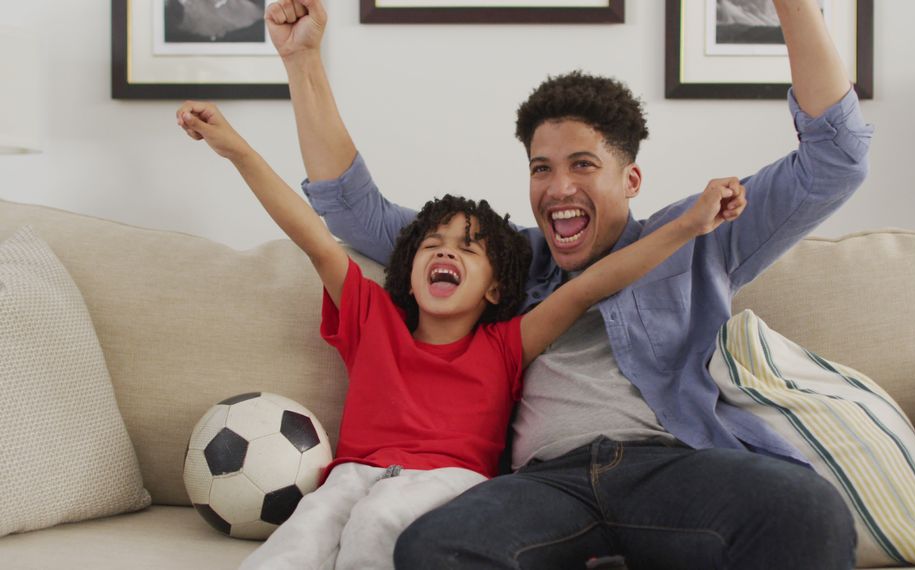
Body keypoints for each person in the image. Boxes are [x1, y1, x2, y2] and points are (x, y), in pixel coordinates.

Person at [266, 0, 872, 567]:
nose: (557, 189)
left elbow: (835, 160)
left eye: (582, 164)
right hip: (543, 484)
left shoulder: (700, 232)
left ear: (631, 179)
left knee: (806, 507)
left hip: (671, 468)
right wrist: (302, 61)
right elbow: (354, 213)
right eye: (541, 169)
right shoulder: (501, 260)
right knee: (434, 547)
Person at [174, 100, 748, 569]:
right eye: (434, 244)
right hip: (351, 477)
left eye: (468, 249)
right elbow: (311, 234)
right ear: (411, 269)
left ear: (497, 289)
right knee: (298, 542)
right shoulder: (372, 318)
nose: (447, 249)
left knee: (378, 524)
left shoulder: (505, 346)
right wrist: (238, 151)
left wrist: (689, 226)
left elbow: (590, 286)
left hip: (450, 486)